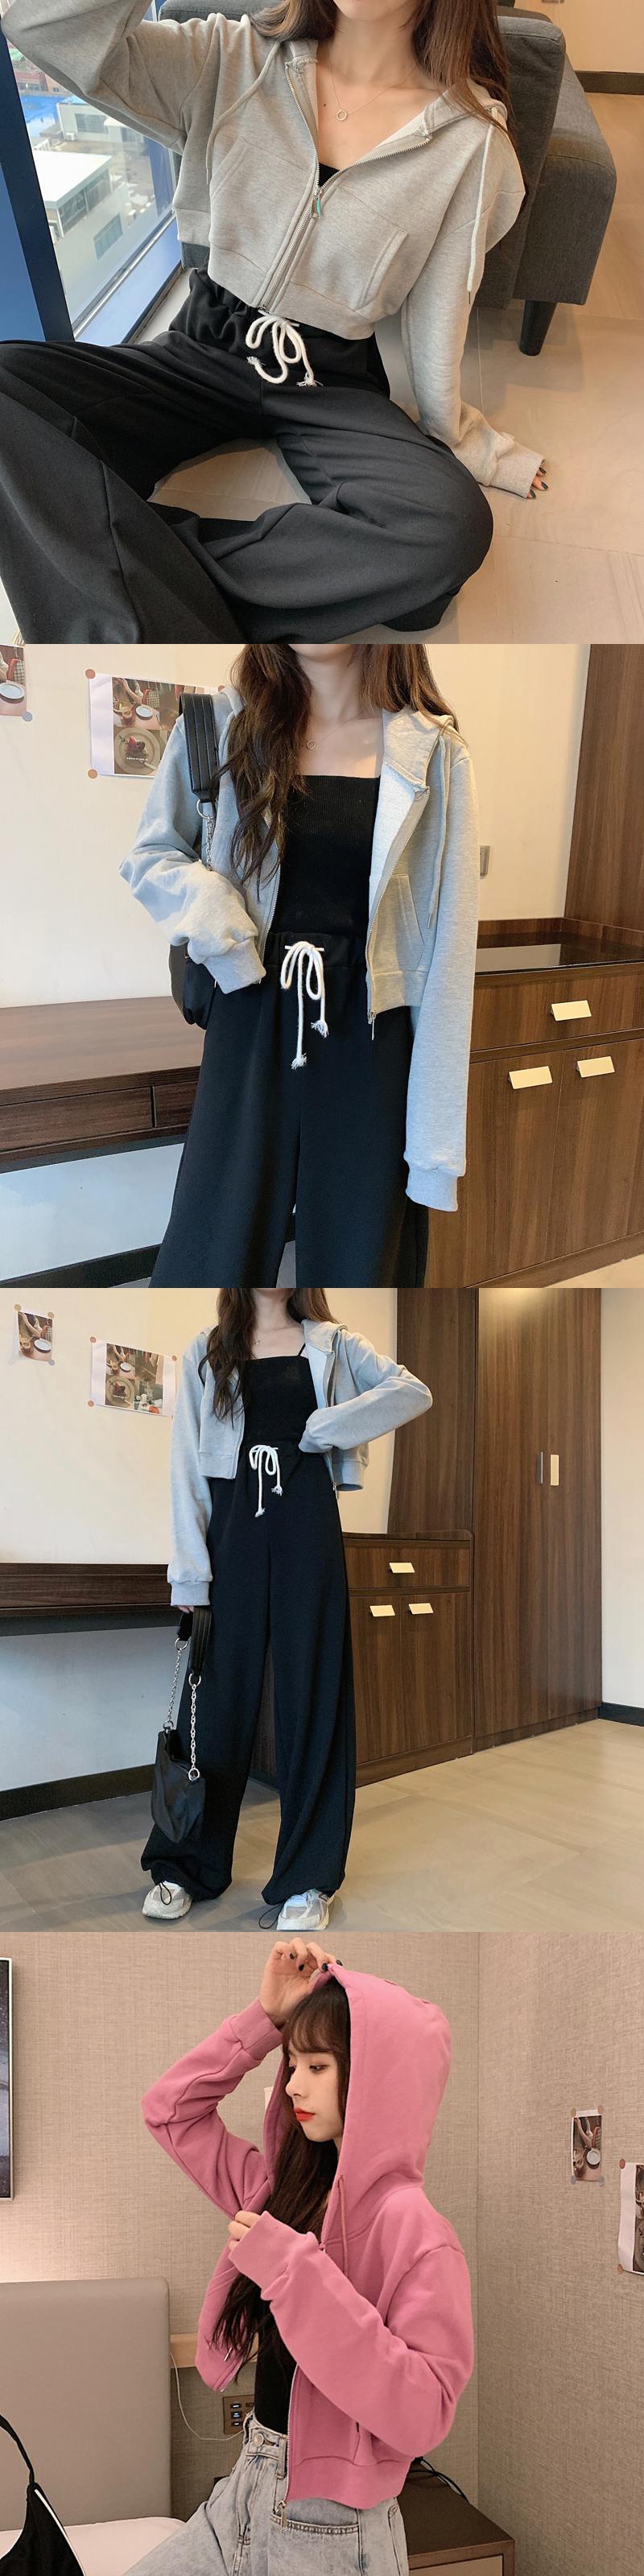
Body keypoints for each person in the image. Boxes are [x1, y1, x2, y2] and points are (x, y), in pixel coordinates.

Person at [0, 0, 545, 642]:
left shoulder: (471, 144)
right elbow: (37, 25)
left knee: (445, 533)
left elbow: (440, 307)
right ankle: (147, 586)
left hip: (327, 378)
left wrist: (461, 436)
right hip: (202, 346)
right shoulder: (227, 57)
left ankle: (112, 578)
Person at [122, 640, 480, 1286]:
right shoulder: (220, 725)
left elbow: (450, 946)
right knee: (210, 1253)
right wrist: (217, 914)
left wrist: (436, 1152)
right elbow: (152, 856)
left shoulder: (436, 753)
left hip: (372, 1027)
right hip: (250, 1005)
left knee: (361, 1266)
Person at [136, 1938, 474, 2576]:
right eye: (292, 2063)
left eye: (317, 2065)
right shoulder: (278, 2190)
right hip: (245, 2487)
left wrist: (295, 2274)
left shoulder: (416, 2229)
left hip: (334, 2530)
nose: (292, 2083)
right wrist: (265, 2019)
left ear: (377, 2077)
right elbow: (170, 2111)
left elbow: (426, 2414)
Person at [142, 1286, 431, 1928]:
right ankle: (184, 1865)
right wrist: (189, 1574)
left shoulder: (335, 1343)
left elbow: (413, 1391)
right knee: (214, 1703)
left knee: (314, 1698)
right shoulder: (208, 1350)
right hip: (232, 1534)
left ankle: (308, 1880)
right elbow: (187, 1467)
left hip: (307, 1526)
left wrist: (328, 1426)